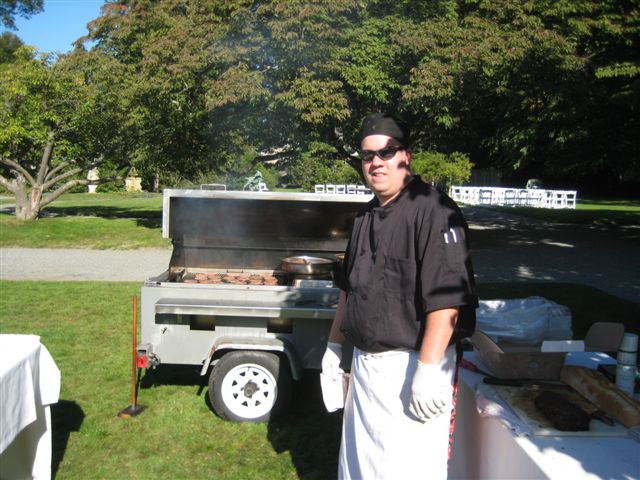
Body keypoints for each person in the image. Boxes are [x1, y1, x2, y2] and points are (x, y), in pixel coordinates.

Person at [321, 112, 478, 480]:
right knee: (359, 469)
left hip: (410, 369)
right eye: (367, 155)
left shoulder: (434, 210)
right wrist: (333, 347)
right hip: (365, 370)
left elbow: (448, 299)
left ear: (406, 156)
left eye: (386, 152)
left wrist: (427, 369)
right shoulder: (365, 216)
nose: (376, 162)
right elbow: (349, 288)